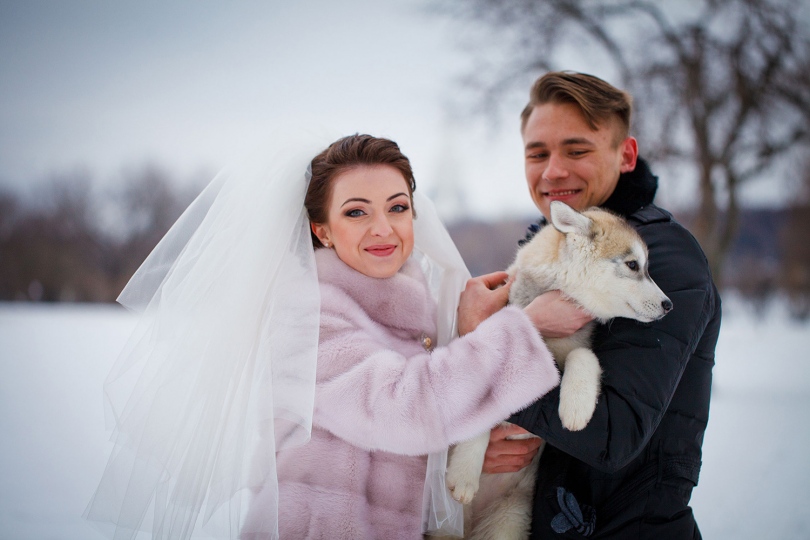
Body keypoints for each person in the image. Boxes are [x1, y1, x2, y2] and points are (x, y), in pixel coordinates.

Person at [84, 132, 583, 540]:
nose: (383, 228)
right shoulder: (306, 313)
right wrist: (526, 327)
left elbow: (397, 432)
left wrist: (458, 440)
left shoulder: (419, 309)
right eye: (356, 212)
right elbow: (401, 408)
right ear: (322, 231)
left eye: (397, 207)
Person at [478, 72, 722, 539]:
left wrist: (490, 351)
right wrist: (482, 437)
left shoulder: (661, 261)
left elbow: (611, 434)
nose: (553, 171)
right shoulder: (552, 257)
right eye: (537, 154)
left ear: (625, 155)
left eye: (577, 151)